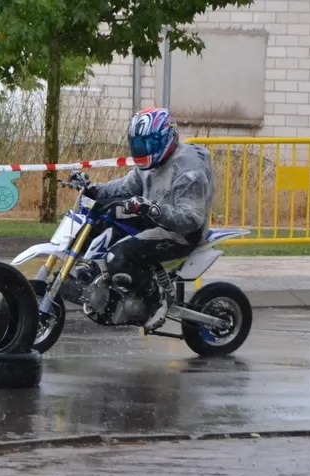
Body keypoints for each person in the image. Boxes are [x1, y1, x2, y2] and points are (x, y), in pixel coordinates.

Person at [67, 107, 215, 331]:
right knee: (102, 216)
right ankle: (94, 275)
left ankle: (156, 301)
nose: (141, 149)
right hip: (153, 219)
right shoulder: (150, 166)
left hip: (181, 233)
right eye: (137, 144)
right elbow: (124, 187)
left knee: (118, 256)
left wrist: (153, 210)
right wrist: (92, 189)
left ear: (165, 137)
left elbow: (191, 218)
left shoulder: (189, 170)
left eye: (146, 143)